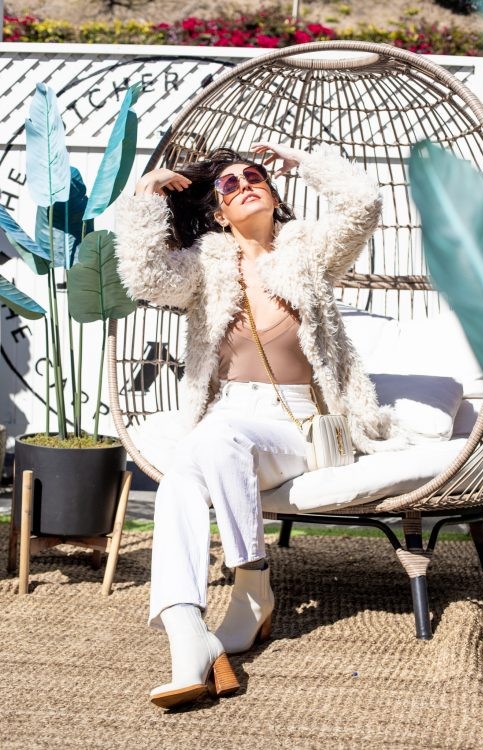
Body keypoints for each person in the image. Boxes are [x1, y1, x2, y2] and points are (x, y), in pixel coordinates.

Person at [114, 141, 396, 710]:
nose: (244, 182)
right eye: (228, 183)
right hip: (227, 418)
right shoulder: (203, 266)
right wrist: (146, 192)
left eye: (255, 175)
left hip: (297, 424)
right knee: (180, 482)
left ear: (273, 192)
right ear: (218, 211)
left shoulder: (310, 251)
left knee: (212, 441)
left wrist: (299, 160)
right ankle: (187, 637)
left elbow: (362, 202)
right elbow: (143, 275)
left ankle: (251, 586)